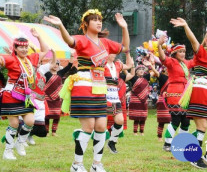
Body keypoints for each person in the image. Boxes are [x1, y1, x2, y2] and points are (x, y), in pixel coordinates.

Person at [44, 9, 130, 172]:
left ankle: (96, 164)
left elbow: (125, 47)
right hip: (83, 84)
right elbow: (69, 41)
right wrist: (61, 25)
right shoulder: (82, 40)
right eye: (95, 20)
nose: (99, 22)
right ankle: (77, 164)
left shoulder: (105, 43)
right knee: (89, 126)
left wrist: (124, 27)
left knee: (101, 127)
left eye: (100, 20)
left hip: (100, 86)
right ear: (86, 24)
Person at [169, 10, 207, 168]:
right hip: (199, 92)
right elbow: (193, 41)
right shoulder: (201, 52)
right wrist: (186, 26)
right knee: (202, 127)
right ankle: (193, 156)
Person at [0, 28, 48, 160]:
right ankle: (7, 151)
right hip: (11, 95)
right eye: (21, 48)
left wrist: (38, 37)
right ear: (15, 48)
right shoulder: (10, 59)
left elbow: (45, 50)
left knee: (30, 121)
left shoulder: (31, 59)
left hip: (26, 96)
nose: (25, 50)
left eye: (26, 47)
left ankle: (20, 143)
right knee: (14, 124)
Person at [157, 36, 194, 152]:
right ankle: (167, 144)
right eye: (180, 52)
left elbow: (196, 59)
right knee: (176, 120)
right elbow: (163, 58)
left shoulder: (186, 63)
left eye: (184, 51)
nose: (183, 54)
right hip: (174, 94)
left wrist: (203, 46)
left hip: (185, 94)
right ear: (175, 53)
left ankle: (182, 144)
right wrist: (159, 45)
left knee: (186, 121)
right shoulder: (171, 62)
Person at [105, 53, 133, 154]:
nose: (114, 55)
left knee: (120, 121)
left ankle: (111, 142)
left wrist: (127, 52)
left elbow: (129, 65)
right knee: (101, 123)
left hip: (115, 97)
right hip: (104, 96)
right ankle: (98, 144)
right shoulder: (102, 65)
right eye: (111, 53)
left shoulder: (117, 65)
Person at [44, 52, 74, 136]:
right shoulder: (46, 74)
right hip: (47, 97)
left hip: (57, 98)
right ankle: (46, 132)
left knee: (57, 115)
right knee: (46, 115)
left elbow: (69, 66)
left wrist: (71, 56)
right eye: (53, 64)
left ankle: (54, 132)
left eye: (57, 64)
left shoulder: (60, 73)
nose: (55, 65)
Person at [127, 62, 151, 136]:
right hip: (135, 100)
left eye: (142, 69)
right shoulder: (133, 78)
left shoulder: (146, 78)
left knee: (143, 116)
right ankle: (135, 132)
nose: (141, 70)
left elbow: (153, 72)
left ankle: (142, 132)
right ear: (136, 71)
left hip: (144, 101)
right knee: (136, 117)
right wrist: (132, 65)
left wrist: (150, 64)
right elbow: (127, 74)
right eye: (139, 69)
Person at [154, 67, 171, 142]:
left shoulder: (175, 78)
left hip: (173, 99)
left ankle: (169, 137)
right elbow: (157, 73)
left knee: (173, 120)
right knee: (162, 120)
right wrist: (151, 65)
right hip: (163, 100)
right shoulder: (163, 77)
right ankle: (159, 137)